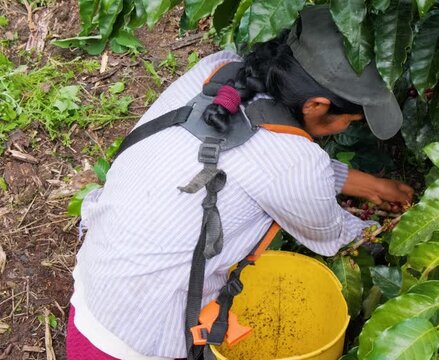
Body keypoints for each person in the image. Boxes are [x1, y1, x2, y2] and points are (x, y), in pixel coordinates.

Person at [66, 5, 413, 360]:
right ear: (316, 106)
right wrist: (392, 232)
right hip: (137, 340)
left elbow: (263, 165)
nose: (347, 128)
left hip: (95, 293)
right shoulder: (295, 164)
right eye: (350, 121)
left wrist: (371, 186)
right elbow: (331, 234)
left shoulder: (218, 72)